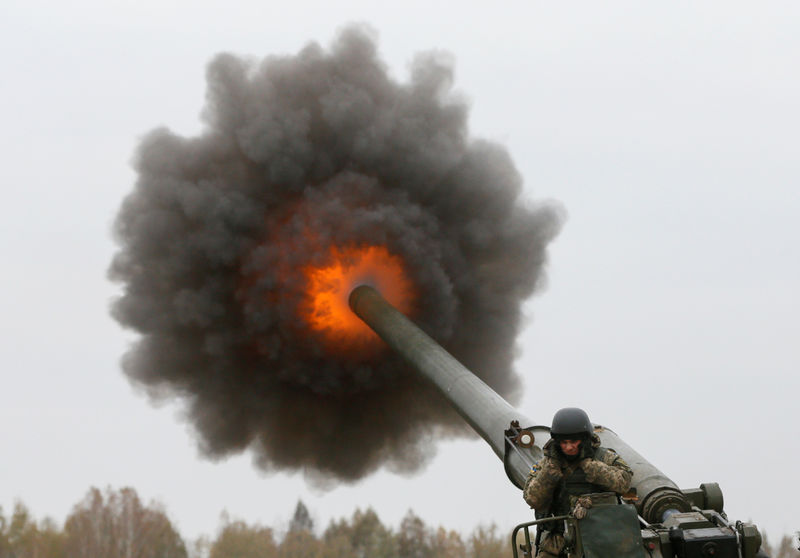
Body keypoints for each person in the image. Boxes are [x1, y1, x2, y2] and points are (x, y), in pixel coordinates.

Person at [523, 407, 633, 558]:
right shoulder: (545, 465)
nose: (569, 447)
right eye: (564, 442)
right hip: (557, 543)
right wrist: (549, 474)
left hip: (602, 539)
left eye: (574, 441)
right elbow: (532, 499)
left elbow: (624, 483)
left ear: (585, 439)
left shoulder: (604, 457)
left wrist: (591, 467)